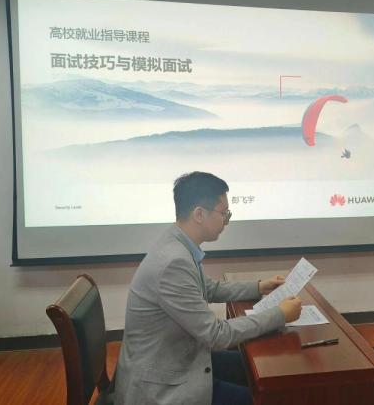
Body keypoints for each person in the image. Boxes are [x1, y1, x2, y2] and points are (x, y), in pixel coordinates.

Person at [114, 171, 302, 405]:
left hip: (179, 359)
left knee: (263, 372)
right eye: (224, 213)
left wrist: (258, 287)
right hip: (162, 388)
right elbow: (216, 335)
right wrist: (280, 314)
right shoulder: (173, 262)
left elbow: (208, 288)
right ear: (199, 214)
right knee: (268, 394)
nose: (227, 221)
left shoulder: (176, 242)